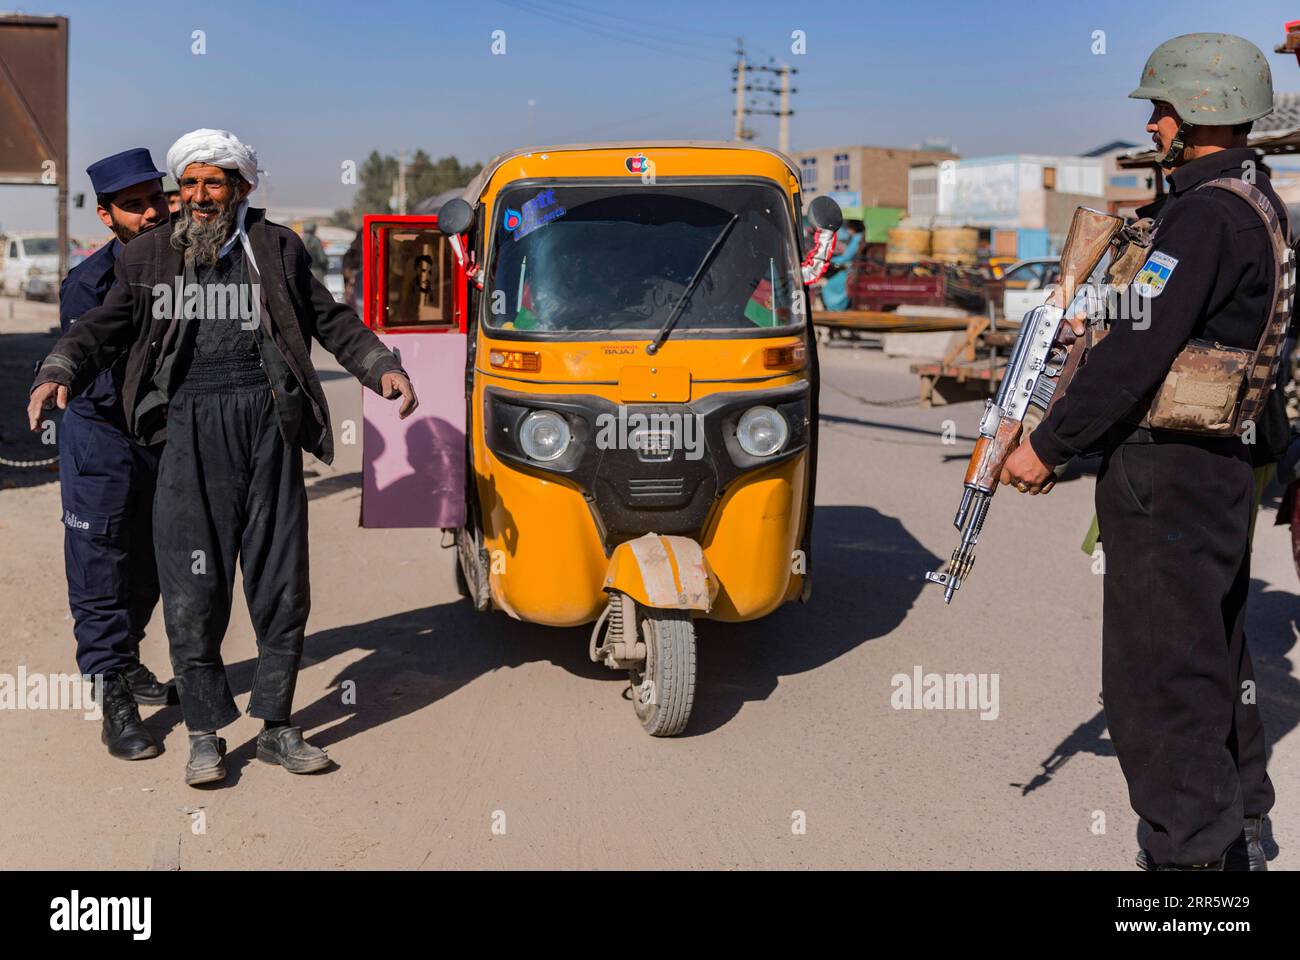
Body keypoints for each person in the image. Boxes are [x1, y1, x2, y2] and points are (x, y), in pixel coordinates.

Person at [28, 129, 419, 787]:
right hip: (186, 435)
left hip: (267, 430)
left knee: (280, 585)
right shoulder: (149, 257)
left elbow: (332, 319)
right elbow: (101, 325)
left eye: (216, 182)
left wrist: (379, 366)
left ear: (242, 188)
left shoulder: (279, 249)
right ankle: (205, 734)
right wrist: (60, 366)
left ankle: (277, 727)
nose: (201, 196)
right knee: (192, 591)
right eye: (191, 184)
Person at [1002, 34, 1285, 870]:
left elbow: (1135, 355)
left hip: (1169, 474)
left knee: (1158, 683)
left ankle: (1190, 869)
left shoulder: (1201, 215)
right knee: (1213, 655)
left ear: (1201, 111)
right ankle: (1242, 826)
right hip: (1218, 472)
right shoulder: (1255, 199)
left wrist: (1048, 446)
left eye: (1163, 107)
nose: (1155, 122)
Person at [59, 148, 174, 761]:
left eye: (157, 198)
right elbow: (97, 376)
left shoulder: (192, 269)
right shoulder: (89, 284)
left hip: (163, 442)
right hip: (103, 439)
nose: (152, 213)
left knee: (155, 560)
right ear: (107, 216)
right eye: (134, 206)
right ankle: (111, 694)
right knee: (100, 562)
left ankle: (126, 661)